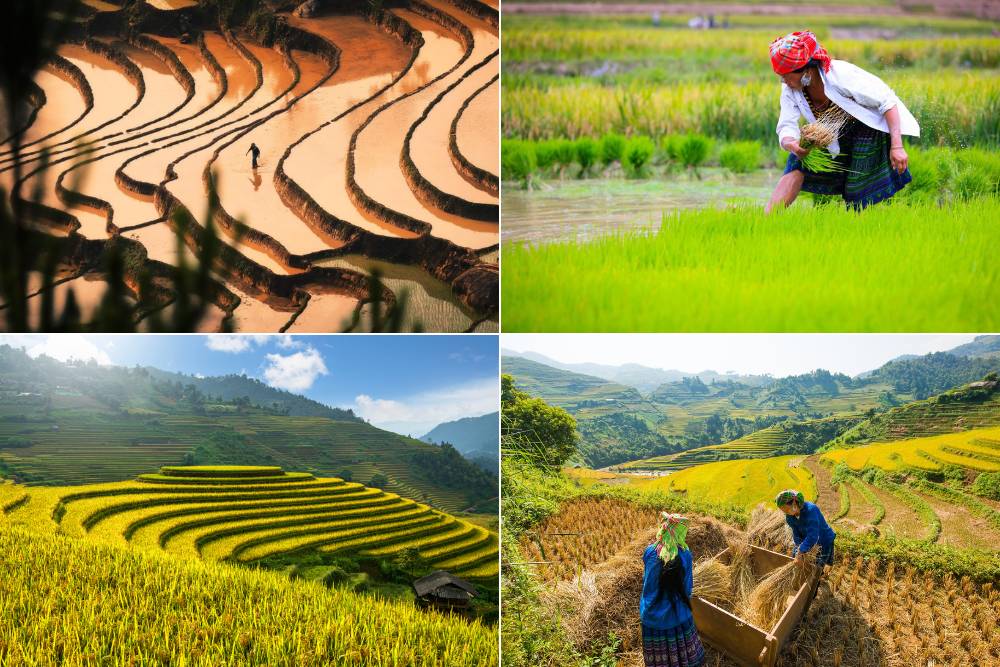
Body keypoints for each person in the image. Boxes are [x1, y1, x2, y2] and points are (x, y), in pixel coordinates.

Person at [765, 31, 920, 212]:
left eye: (786, 74)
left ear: (806, 70)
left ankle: (856, 231)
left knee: (857, 191)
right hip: (828, 132)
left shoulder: (841, 75)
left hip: (865, 130)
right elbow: (786, 125)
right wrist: (792, 145)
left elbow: (888, 102)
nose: (783, 80)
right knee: (796, 165)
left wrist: (897, 147)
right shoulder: (791, 89)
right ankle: (766, 219)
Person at [640, 513, 705, 667]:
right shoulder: (685, 555)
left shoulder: (649, 551)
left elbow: (647, 580)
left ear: (664, 528)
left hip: (651, 617)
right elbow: (688, 589)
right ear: (681, 532)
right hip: (678, 616)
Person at [775, 489, 836, 575]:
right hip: (809, 541)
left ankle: (823, 574)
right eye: (783, 511)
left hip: (824, 539)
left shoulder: (811, 510)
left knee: (819, 565)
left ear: (794, 504)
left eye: (786, 510)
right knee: (795, 555)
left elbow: (813, 536)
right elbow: (796, 534)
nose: (785, 513)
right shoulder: (789, 517)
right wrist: (798, 549)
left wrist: (800, 551)